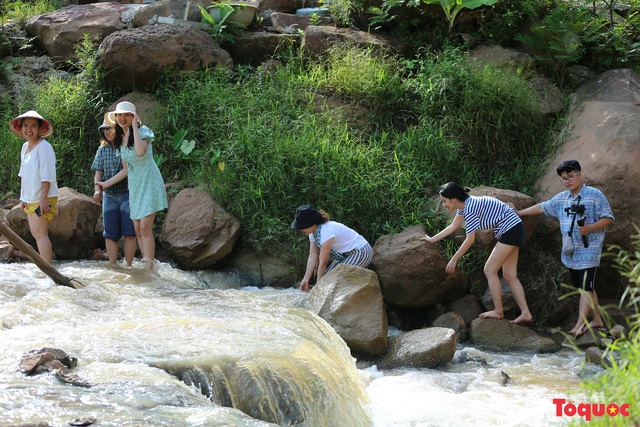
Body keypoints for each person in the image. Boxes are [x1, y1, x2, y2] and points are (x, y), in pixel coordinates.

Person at [513, 160, 614, 336]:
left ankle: (579, 326)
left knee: (585, 287)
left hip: (590, 248)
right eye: (564, 178)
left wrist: (590, 228)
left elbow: (609, 218)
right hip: (572, 250)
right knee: (586, 287)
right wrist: (519, 213)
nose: (567, 181)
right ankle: (597, 320)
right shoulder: (562, 198)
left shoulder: (594, 195)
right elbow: (542, 207)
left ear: (580, 175)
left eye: (571, 176)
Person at [421, 182, 533, 324]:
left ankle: (498, 311)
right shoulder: (464, 206)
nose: (444, 205)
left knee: (489, 270)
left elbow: (470, 240)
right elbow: (453, 226)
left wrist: (454, 259)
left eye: (444, 201)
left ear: (454, 199)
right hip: (514, 228)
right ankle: (526, 313)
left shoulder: (470, 207)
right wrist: (431, 240)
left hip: (510, 230)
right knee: (509, 275)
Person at [98, 102, 168, 270]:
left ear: (133, 116)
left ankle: (149, 267)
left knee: (144, 227)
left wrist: (135, 128)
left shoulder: (143, 132)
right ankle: (147, 264)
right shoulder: (119, 138)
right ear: (115, 118)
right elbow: (126, 169)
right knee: (137, 229)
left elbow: (140, 151)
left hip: (150, 182)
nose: (122, 118)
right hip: (135, 186)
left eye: (127, 115)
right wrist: (105, 184)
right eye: (119, 115)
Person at [10, 110, 59, 265]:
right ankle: (45, 267)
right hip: (30, 197)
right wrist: (23, 198)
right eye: (25, 126)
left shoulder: (44, 147)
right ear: (21, 128)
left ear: (39, 129)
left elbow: (47, 176)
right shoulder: (25, 147)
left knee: (41, 234)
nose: (28, 130)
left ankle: (48, 269)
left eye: (32, 126)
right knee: (36, 233)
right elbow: (24, 174)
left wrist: (43, 199)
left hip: (43, 197)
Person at [291, 205, 373, 292]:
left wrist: (318, 289)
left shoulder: (326, 230)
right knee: (327, 278)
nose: (300, 229)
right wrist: (306, 279)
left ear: (311, 223)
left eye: (302, 226)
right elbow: (312, 256)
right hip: (345, 256)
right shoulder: (312, 233)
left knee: (334, 278)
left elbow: (323, 263)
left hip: (361, 252)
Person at [91, 120, 137, 266]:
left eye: (110, 129)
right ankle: (112, 265)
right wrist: (97, 190)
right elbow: (98, 173)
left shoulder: (126, 146)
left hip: (127, 194)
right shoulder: (102, 149)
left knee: (129, 232)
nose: (107, 132)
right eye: (104, 130)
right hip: (109, 195)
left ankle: (129, 266)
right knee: (109, 233)